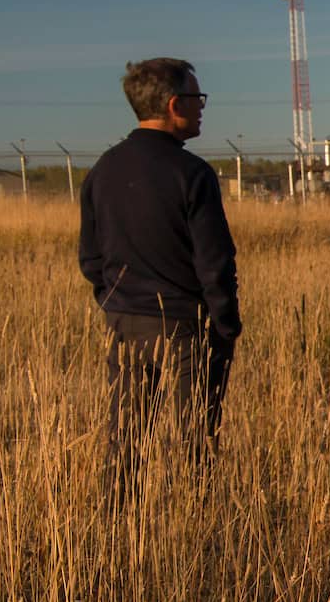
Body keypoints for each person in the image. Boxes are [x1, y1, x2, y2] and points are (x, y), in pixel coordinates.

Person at [79, 58, 241, 481]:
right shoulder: (192, 174)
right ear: (174, 104)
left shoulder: (102, 170)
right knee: (196, 441)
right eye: (196, 98)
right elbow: (215, 262)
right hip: (185, 326)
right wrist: (225, 325)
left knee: (126, 438)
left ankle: (118, 524)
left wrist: (115, 301)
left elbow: (91, 259)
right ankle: (195, 526)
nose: (202, 106)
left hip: (124, 322)